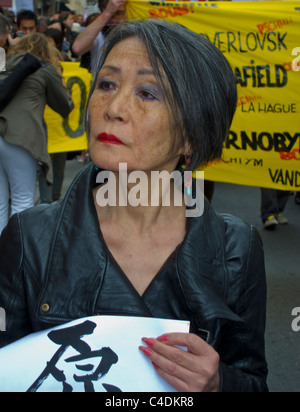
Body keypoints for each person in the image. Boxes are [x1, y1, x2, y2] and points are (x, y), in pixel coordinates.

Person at [0, 20, 268, 392]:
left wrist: (221, 383)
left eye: (147, 93)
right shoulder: (29, 238)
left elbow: (254, 378)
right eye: (107, 84)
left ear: (192, 134)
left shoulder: (236, 249)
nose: (114, 107)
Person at [0, 33, 74, 234]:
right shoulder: (45, 69)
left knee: (0, 201)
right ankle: (16, 257)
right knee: (22, 199)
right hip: (21, 137)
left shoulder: (4, 65)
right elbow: (65, 106)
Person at [72, 0, 127, 74]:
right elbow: (77, 48)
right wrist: (107, 13)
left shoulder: (138, 32)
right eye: (110, 15)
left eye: (118, 13)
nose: (113, 20)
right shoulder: (99, 33)